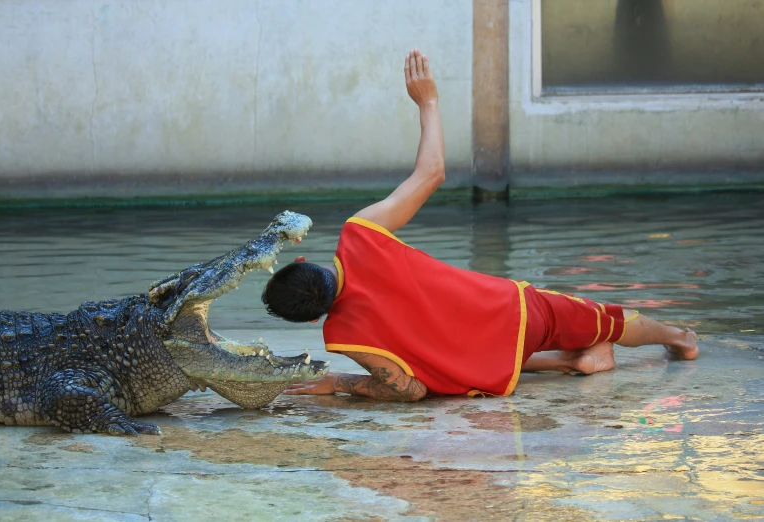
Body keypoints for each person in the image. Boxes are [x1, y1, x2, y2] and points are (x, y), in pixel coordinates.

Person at [261, 49, 699, 402]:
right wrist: (428, 101)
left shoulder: (341, 335)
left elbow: (409, 389)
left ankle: (574, 361)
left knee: (445, 358)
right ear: (303, 259)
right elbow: (432, 172)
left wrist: (339, 382)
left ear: (311, 319)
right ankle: (681, 339)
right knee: (609, 320)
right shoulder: (359, 235)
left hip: (482, 370)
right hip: (521, 313)